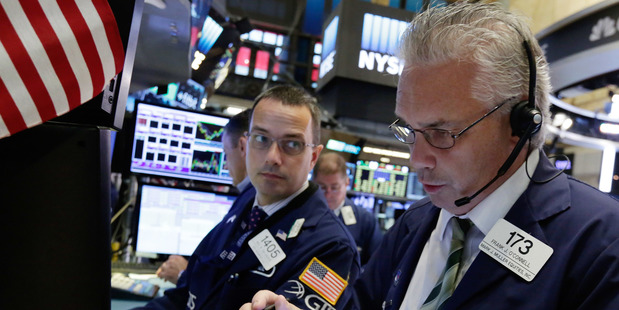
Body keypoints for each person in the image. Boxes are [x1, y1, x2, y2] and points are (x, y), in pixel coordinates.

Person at [240, 2, 619, 310]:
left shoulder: (602, 244)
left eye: (441, 133)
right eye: (409, 130)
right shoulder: (416, 223)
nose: (417, 159)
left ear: (521, 122)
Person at [140, 85, 360, 309]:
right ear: (246, 144)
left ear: (313, 157)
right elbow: (187, 296)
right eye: (262, 139)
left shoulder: (333, 249)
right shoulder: (246, 205)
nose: (272, 157)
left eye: (292, 144)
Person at [155, 109, 253, 284]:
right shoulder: (249, 200)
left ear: (242, 147)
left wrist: (183, 276)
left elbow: (221, 285)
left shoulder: (252, 203)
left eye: (226, 152)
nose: (224, 163)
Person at [312, 152, 383, 265]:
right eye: (322, 187)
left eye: (335, 188)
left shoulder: (365, 220)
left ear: (346, 182)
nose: (328, 194)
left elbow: (377, 264)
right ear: (313, 183)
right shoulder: (301, 213)